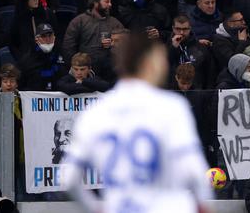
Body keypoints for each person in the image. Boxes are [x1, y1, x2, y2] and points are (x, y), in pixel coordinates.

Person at [65, 33, 212, 212]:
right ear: (148, 64)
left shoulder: (95, 113)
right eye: (161, 60)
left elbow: (68, 177)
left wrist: (95, 207)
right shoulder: (171, 107)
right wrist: (204, 204)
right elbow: (194, 170)